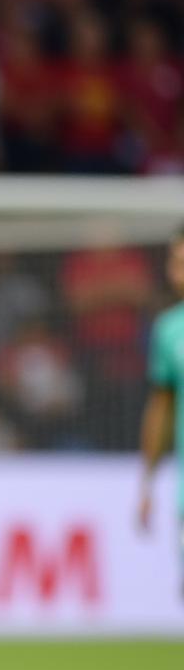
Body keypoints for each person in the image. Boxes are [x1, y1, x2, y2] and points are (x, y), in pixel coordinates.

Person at [138, 228, 184, 537]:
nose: (176, 273)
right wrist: (148, 483)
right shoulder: (169, 330)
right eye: (174, 262)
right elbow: (162, 408)